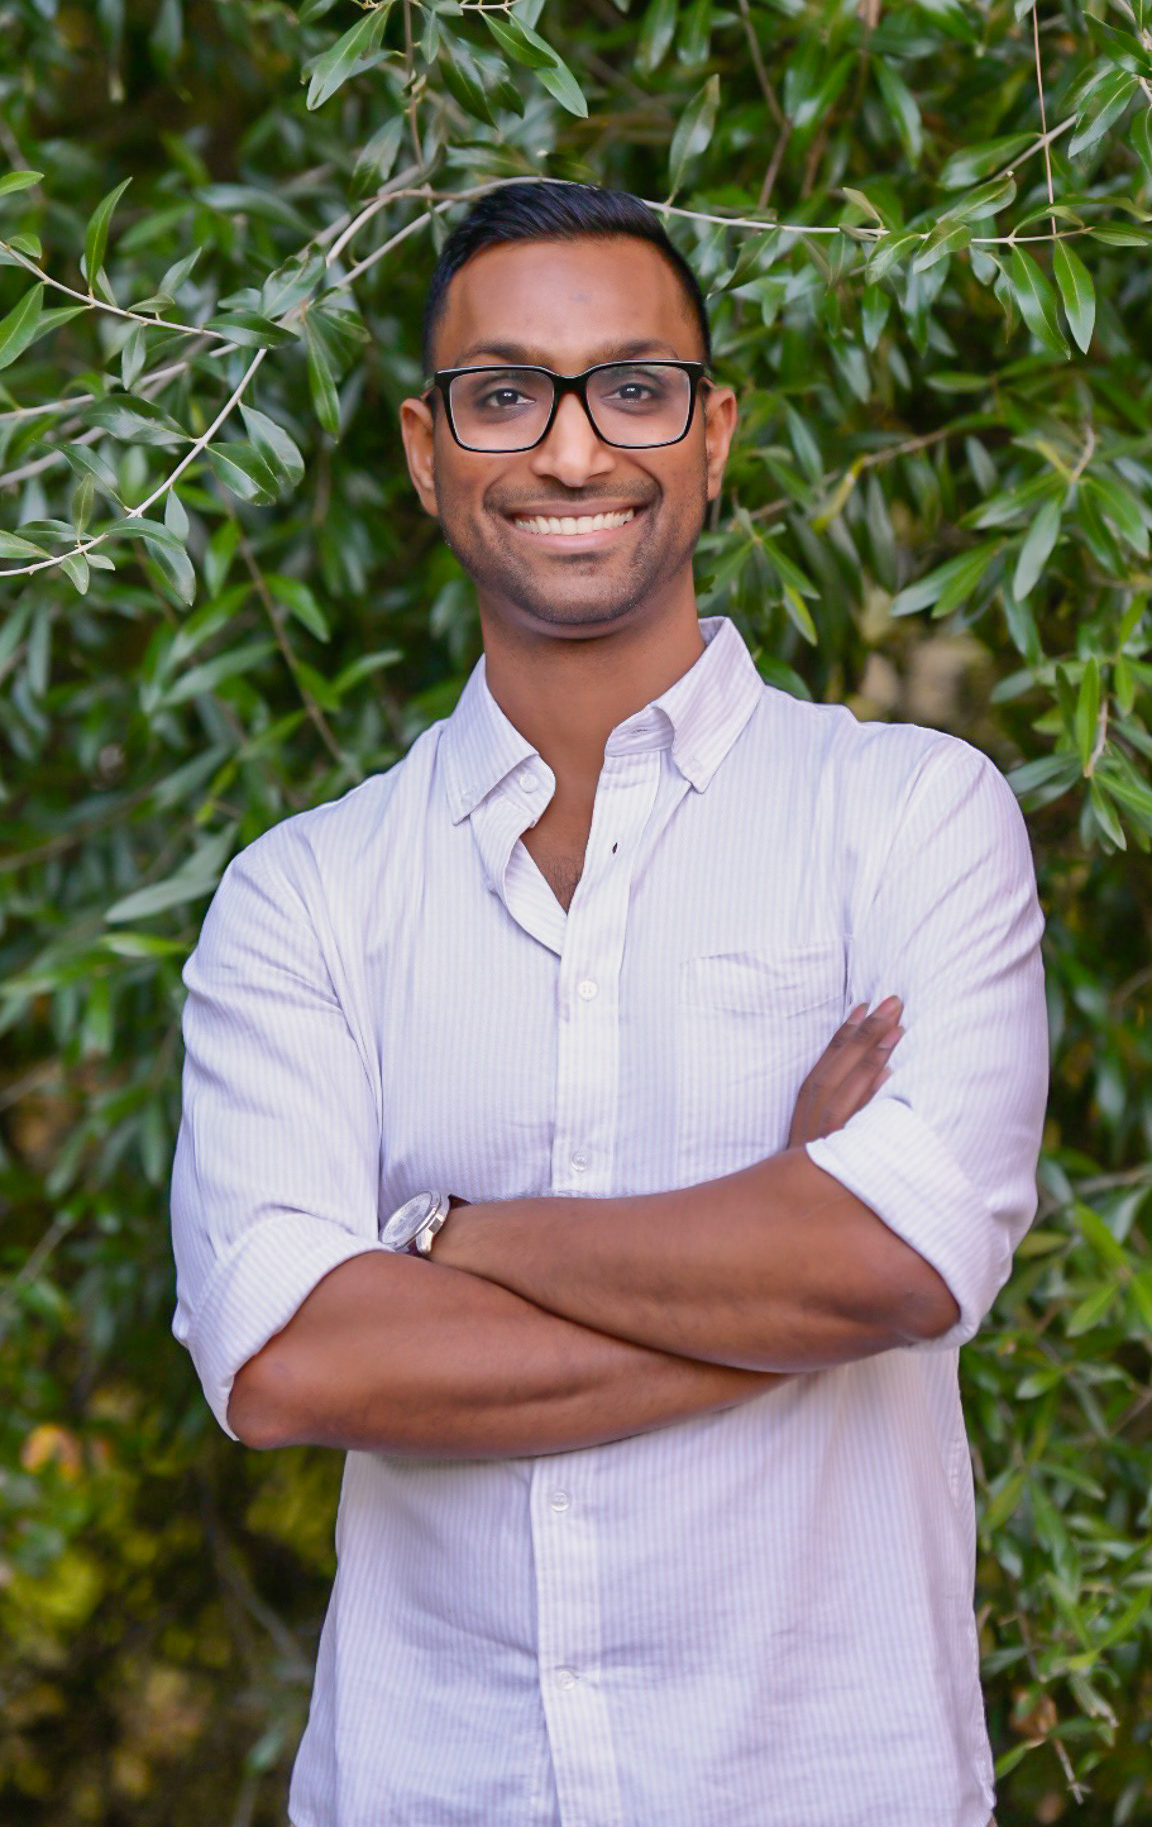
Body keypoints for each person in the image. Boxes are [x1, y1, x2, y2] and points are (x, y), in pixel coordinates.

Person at [171, 180, 1047, 1827]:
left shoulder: (909, 820)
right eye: (505, 393)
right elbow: (289, 1362)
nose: (572, 451)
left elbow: (892, 1260)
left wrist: (447, 1240)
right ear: (430, 456)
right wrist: (769, 1267)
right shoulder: (306, 896)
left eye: (629, 387)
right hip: (433, 1790)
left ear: (711, 435)